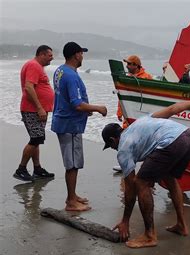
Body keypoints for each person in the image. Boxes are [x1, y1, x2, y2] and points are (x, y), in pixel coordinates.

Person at [102, 99, 190, 248]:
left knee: (140, 182)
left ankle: (149, 236)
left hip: (171, 142)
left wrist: (125, 220)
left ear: (113, 140)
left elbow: (131, 188)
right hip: (188, 136)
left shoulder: (123, 148)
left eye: (111, 146)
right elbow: (172, 109)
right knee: (170, 179)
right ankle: (181, 225)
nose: (113, 149)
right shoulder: (141, 121)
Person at [52, 42, 107, 211]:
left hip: (64, 120)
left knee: (72, 162)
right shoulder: (71, 75)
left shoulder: (60, 70)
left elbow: (69, 99)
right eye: (81, 53)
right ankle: (70, 201)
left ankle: (73, 195)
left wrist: (85, 109)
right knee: (73, 164)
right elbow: (76, 103)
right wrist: (97, 108)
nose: (83, 56)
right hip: (70, 124)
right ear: (76, 55)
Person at [14, 45, 56, 182]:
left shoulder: (36, 66)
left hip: (36, 110)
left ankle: (37, 169)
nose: (52, 58)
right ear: (42, 54)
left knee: (36, 139)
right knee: (35, 139)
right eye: (50, 55)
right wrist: (39, 107)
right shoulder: (34, 65)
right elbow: (29, 87)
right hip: (32, 110)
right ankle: (21, 169)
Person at [118, 55, 153, 129]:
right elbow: (122, 95)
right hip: (129, 111)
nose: (126, 66)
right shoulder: (128, 77)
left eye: (128, 64)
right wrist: (119, 112)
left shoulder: (147, 77)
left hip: (142, 112)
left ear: (136, 65)